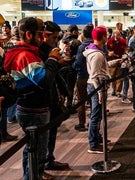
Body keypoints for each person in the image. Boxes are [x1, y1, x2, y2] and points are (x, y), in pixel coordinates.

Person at [3, 17, 66, 180]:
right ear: (29, 34)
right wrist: (52, 59)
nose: (43, 38)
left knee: (32, 150)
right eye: (40, 34)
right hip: (33, 109)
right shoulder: (25, 55)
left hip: (32, 107)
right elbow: (44, 81)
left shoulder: (26, 52)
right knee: (36, 152)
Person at [83, 26, 121, 153]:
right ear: (103, 37)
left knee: (98, 114)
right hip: (97, 87)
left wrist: (114, 62)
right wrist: (99, 92)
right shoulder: (97, 54)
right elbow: (94, 75)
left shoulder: (94, 52)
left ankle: (96, 138)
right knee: (96, 115)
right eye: (106, 35)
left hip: (97, 86)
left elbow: (100, 68)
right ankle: (93, 144)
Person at [39, 21, 70, 173]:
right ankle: (42, 166)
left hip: (54, 96)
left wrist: (63, 92)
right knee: (42, 137)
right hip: (43, 100)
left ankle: (48, 159)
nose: (56, 41)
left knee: (51, 133)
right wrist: (54, 61)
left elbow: (54, 75)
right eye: (54, 37)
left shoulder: (51, 50)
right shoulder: (39, 52)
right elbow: (45, 77)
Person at [73, 23, 94, 132]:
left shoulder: (82, 47)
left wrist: (73, 64)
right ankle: (94, 123)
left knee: (81, 100)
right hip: (93, 77)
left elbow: (78, 63)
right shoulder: (96, 45)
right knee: (93, 101)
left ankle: (82, 123)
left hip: (82, 77)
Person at [59, 24, 81, 112]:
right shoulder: (76, 42)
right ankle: (69, 106)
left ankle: (60, 105)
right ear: (74, 32)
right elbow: (79, 56)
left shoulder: (61, 41)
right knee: (70, 87)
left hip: (61, 66)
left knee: (62, 87)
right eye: (77, 31)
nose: (78, 33)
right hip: (71, 67)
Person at [107, 29, 127, 98]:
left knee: (119, 77)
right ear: (113, 34)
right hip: (112, 62)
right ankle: (113, 90)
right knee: (112, 77)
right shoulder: (109, 41)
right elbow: (107, 51)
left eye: (118, 34)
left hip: (120, 62)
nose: (117, 36)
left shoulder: (123, 41)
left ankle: (118, 91)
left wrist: (123, 58)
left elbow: (125, 50)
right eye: (115, 34)